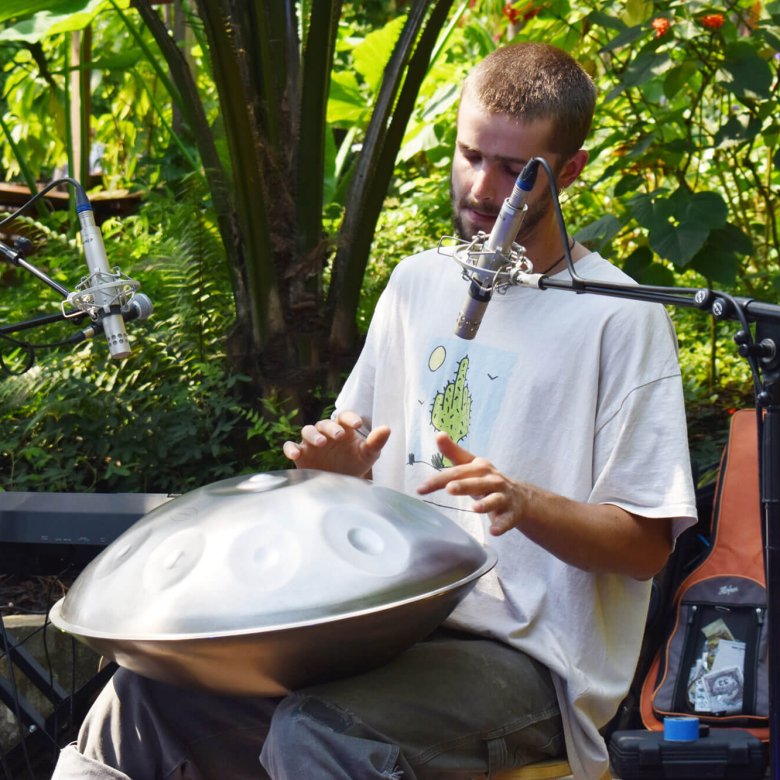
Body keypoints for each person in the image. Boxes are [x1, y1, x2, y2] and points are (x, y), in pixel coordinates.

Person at [52, 42, 696, 780]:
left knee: (321, 731)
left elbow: (647, 546)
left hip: (528, 662)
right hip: (387, 631)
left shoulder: (619, 316)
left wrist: (525, 502)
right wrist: (335, 477)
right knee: (147, 693)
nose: (485, 188)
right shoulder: (419, 283)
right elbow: (355, 488)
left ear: (570, 171)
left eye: (516, 171)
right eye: (472, 155)